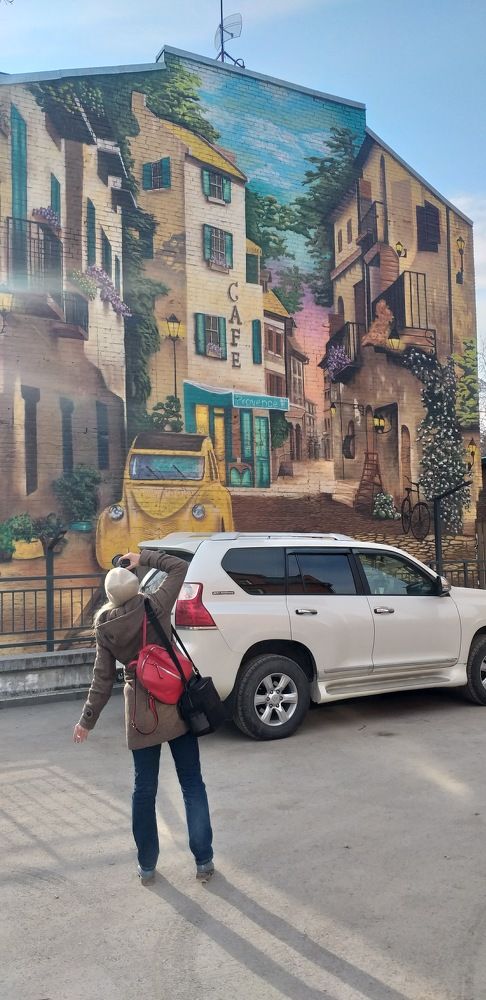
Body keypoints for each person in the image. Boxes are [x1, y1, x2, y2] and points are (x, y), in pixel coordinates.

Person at [72, 548, 214, 885]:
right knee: (192, 783)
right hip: (176, 705)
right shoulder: (154, 604)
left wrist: (86, 721)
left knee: (144, 790)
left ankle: (147, 865)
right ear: (135, 585)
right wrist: (142, 557)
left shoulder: (105, 627)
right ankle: (203, 861)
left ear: (110, 596)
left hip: (141, 715)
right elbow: (179, 566)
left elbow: (102, 679)